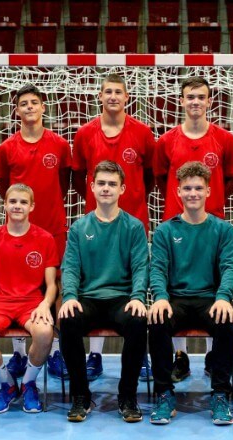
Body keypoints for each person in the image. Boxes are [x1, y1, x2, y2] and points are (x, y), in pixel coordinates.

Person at [154, 76, 233, 383]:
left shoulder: (224, 139)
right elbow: (159, 178)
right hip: (176, 223)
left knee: (212, 291)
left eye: (201, 97)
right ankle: (180, 357)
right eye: (190, 96)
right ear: (181, 101)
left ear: (209, 101)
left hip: (211, 222)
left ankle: (212, 356)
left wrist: (212, 201)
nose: (195, 102)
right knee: (176, 290)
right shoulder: (167, 141)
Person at [71, 74, 155, 381]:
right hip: (97, 222)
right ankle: (94, 355)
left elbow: (150, 176)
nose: (113, 96)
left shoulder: (143, 132)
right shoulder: (85, 134)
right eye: (108, 91)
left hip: (134, 221)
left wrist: (130, 204)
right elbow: (79, 178)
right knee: (94, 282)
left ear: (127, 96)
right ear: (100, 96)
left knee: (135, 280)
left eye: (118, 91)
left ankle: (141, 355)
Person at [148, 162, 233, 426]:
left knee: (226, 321)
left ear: (208, 191)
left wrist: (223, 297)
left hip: (210, 298)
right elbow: (157, 268)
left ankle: (220, 394)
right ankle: (164, 394)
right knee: (157, 321)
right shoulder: (165, 230)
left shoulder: (223, 230)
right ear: (178, 192)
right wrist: (160, 297)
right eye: (187, 188)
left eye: (198, 188)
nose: (193, 193)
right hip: (175, 299)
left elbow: (230, 267)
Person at [59, 161, 149, 423]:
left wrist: (138, 297)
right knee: (68, 319)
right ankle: (81, 395)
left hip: (121, 298)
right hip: (88, 298)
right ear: (92, 187)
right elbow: (71, 267)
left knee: (137, 320)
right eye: (101, 183)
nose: (106, 188)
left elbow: (141, 266)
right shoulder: (79, 228)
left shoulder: (134, 227)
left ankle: (127, 396)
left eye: (112, 184)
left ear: (122, 189)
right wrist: (70, 297)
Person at [0, 83, 72, 381]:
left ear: (43, 107)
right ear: (16, 110)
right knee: (17, 287)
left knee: (56, 287)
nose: (29, 107)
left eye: (34, 102)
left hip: (52, 229)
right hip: (18, 233)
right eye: (24, 103)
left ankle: (55, 352)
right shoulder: (6, 148)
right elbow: (4, 188)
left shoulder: (60, 145)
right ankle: (18, 352)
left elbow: (64, 184)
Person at [0, 184, 58, 414]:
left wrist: (45, 304)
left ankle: (28, 383)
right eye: (13, 202)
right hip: (0, 303)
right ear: (5, 205)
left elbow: (51, 285)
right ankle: (8, 384)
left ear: (32, 206)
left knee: (45, 332)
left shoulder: (45, 239)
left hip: (32, 304)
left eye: (23, 202)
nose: (17, 206)